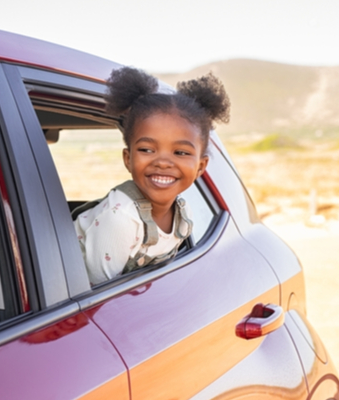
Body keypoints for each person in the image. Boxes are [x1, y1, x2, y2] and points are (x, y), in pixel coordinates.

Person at [73, 67, 230, 285]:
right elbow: (98, 301)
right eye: (147, 149)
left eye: (181, 153)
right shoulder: (120, 220)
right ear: (128, 159)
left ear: (201, 166)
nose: (163, 162)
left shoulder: (183, 214)